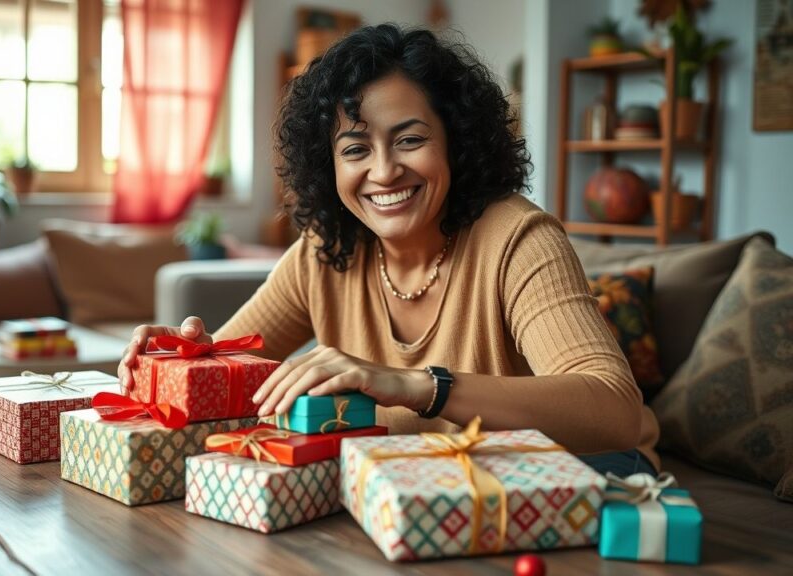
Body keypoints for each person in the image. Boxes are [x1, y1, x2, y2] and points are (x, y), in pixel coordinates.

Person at [118, 24, 659, 477]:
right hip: (402, 502)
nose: (383, 171)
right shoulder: (324, 251)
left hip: (567, 488)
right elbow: (235, 367)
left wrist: (415, 386)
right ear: (329, 165)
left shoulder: (519, 239)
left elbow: (615, 412)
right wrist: (183, 359)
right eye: (356, 149)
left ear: (456, 141)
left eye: (410, 140)